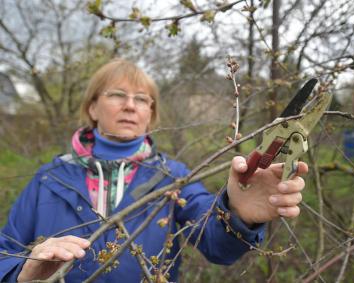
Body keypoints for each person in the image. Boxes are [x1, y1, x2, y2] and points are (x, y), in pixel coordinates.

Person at [0, 59, 307, 282]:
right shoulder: (50, 178)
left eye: (141, 99)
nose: (130, 106)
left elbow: (217, 247)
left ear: (150, 114)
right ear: (93, 108)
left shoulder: (173, 177)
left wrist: (239, 216)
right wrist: (22, 272)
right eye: (117, 95)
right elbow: (5, 254)